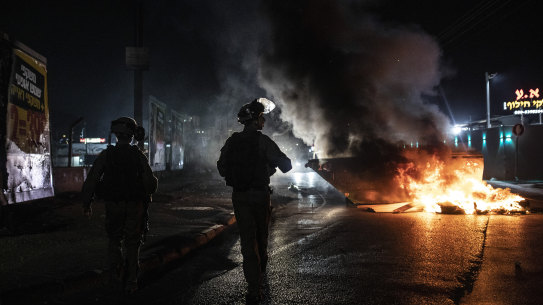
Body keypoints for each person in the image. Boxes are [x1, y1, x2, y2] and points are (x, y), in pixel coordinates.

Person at [217, 98, 292, 303]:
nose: (264, 122)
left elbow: (222, 167)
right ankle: (259, 279)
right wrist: (268, 167)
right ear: (256, 119)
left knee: (248, 243)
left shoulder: (232, 141)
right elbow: (286, 165)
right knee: (261, 239)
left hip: (239, 196)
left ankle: (253, 288)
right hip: (259, 195)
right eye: (262, 118)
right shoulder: (262, 141)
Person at [81, 117, 158, 294]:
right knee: (132, 242)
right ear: (132, 136)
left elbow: (92, 179)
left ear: (116, 134)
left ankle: (114, 279)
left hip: (113, 205)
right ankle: (131, 281)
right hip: (134, 205)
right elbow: (150, 185)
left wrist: (87, 203)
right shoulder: (138, 156)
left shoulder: (106, 155)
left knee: (114, 240)